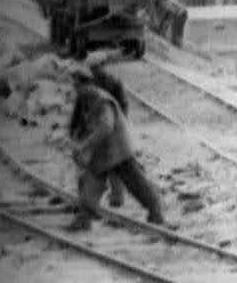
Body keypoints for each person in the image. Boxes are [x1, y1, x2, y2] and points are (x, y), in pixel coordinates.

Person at [67, 67, 166, 230]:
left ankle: (156, 210)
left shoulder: (99, 99)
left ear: (83, 84)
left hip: (118, 148)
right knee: (90, 181)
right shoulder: (87, 98)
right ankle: (84, 218)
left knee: (136, 182)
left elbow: (107, 125)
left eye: (76, 84)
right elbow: (83, 123)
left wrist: (85, 145)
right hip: (105, 150)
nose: (74, 88)